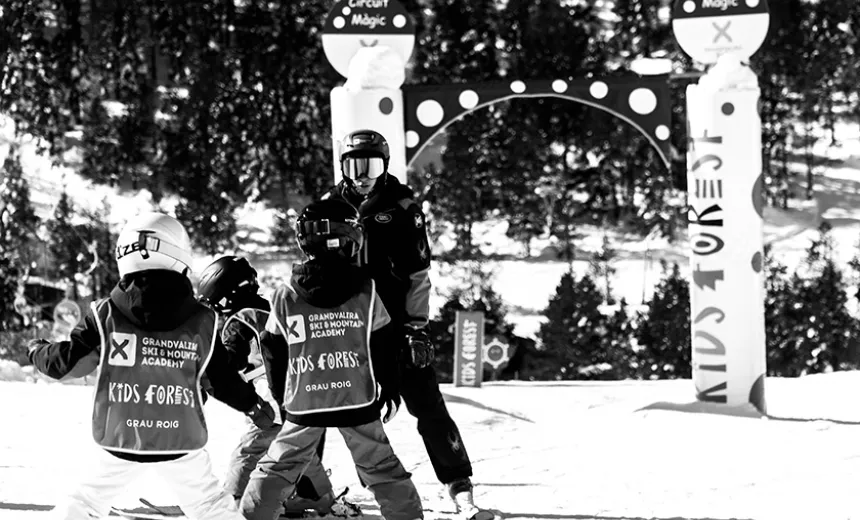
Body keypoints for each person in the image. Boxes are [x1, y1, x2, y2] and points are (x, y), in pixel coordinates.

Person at [27, 211, 277, 520]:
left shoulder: (106, 315)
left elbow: (66, 364)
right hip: (180, 439)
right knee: (210, 506)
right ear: (178, 253)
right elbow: (221, 379)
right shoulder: (202, 320)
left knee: (85, 500)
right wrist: (254, 406)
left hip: (121, 437)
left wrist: (37, 351)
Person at [324, 129, 492, 520]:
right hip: (348, 326)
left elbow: (418, 274)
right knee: (320, 407)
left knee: (427, 405)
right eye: (354, 164)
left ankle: (458, 485)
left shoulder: (401, 206)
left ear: (385, 166)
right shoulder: (330, 205)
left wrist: (416, 328)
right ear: (343, 166)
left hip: (397, 324)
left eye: (372, 164)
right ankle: (307, 489)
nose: (363, 174)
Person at [239, 198, 421, 520]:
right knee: (380, 465)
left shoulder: (284, 295)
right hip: (357, 396)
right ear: (349, 238)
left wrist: (284, 398)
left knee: (280, 466)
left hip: (305, 401)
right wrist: (390, 390)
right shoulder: (366, 291)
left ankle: (253, 515)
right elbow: (384, 344)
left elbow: (271, 347)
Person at [196, 256, 344, 517]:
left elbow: (227, 365)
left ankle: (233, 499)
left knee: (250, 450)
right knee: (299, 449)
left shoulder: (241, 321)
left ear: (223, 295)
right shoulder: (274, 308)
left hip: (272, 402)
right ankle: (322, 498)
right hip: (305, 397)